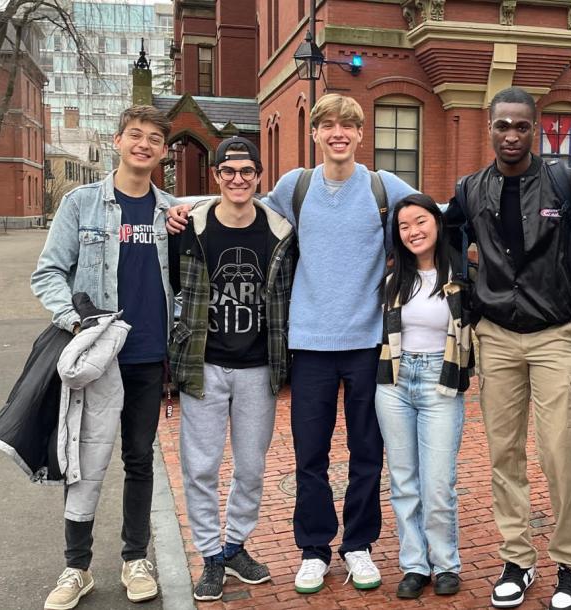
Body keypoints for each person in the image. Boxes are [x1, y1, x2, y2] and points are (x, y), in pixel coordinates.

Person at [167, 93, 416, 594]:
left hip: (367, 343)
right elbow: (243, 206)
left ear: (360, 134)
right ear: (316, 134)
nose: (338, 133)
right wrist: (184, 207)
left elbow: (429, 216)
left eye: (347, 125)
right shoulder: (294, 186)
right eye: (328, 125)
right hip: (307, 344)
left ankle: (359, 546)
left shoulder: (382, 187)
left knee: (368, 451)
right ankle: (314, 548)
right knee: (311, 456)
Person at [445, 86, 571, 610]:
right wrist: (466, 286)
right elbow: (444, 237)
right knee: (503, 454)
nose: (511, 135)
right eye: (502, 125)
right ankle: (517, 558)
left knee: (561, 451)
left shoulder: (566, 182)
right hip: (497, 337)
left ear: (536, 129)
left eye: (521, 126)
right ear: (489, 129)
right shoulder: (470, 188)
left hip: (555, 334)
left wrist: (566, 262)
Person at [31, 105, 177, 609]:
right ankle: (77, 568)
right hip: (97, 357)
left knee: (139, 460)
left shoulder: (172, 212)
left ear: (162, 151)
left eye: (154, 139)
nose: (143, 144)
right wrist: (78, 321)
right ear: (117, 141)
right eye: (135, 135)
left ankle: (136, 558)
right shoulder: (81, 204)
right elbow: (48, 274)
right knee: (86, 463)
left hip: (148, 357)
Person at [168, 136, 297, 601]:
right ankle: (210, 556)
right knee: (200, 467)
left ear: (259, 175)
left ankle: (235, 545)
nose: (238, 180)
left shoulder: (281, 230)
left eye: (246, 172)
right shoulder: (189, 227)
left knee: (251, 467)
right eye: (229, 172)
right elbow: (172, 288)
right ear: (216, 176)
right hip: (204, 363)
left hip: (258, 367)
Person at [375, 193, 473, 600]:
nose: (413, 231)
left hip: (440, 381)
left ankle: (446, 562)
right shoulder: (394, 277)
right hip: (394, 382)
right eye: (403, 226)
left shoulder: (464, 275)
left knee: (437, 483)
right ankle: (414, 564)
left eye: (420, 222)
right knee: (403, 482)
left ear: (437, 223)